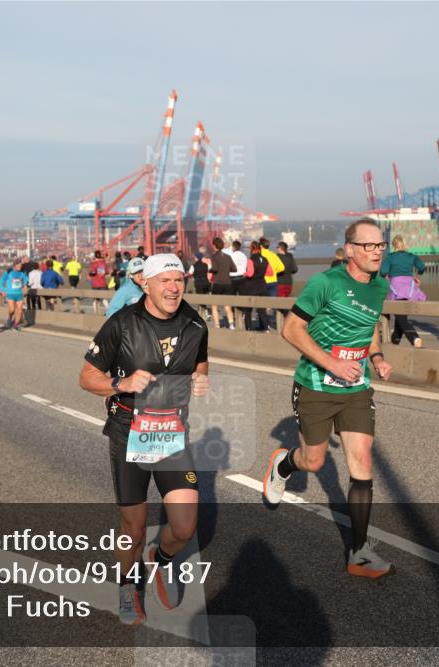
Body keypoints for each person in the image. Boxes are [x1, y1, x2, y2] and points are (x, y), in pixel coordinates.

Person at [79, 253, 210, 625]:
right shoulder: (121, 324)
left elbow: (200, 363)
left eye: (179, 280)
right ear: (146, 284)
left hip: (171, 433)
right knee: (133, 528)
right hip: (129, 432)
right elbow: (87, 377)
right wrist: (121, 383)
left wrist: (201, 379)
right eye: (165, 280)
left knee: (184, 527)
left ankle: (160, 559)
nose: (173, 288)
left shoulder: (195, 324)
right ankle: (126, 585)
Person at [265, 218, 395, 580]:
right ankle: (284, 464)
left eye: (380, 245)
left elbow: (369, 326)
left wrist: (377, 357)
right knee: (314, 461)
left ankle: (359, 552)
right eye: (368, 245)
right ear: (350, 249)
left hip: (355, 389)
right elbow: (290, 329)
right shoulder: (325, 283)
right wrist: (332, 363)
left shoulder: (380, 286)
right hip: (315, 386)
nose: (376, 252)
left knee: (362, 462)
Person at [379, 235, 426, 348]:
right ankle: (394, 343)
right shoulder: (411, 256)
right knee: (401, 317)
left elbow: (383, 271)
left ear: (394, 245)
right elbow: (422, 267)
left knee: (400, 318)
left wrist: (386, 277)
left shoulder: (390, 257)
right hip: (409, 287)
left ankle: (414, 338)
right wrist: (418, 276)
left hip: (396, 288)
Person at [242, 240, 271, 332]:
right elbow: (270, 272)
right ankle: (266, 327)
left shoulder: (251, 260)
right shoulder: (265, 259)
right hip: (262, 285)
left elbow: (250, 274)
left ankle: (249, 328)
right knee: (262, 308)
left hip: (252, 286)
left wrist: (245, 274)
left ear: (252, 249)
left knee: (248, 308)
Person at [209, 237, 237, 329]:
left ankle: (217, 325)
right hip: (228, 283)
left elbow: (215, 268)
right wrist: (226, 269)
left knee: (214, 305)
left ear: (214, 246)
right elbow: (234, 269)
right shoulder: (228, 257)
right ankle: (231, 324)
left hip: (218, 283)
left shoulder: (213, 256)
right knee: (227, 305)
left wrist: (210, 270)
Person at [0, 259, 28, 332]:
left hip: (19, 294)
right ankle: (9, 318)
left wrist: (25, 285)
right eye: (18, 265)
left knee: (20, 310)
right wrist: (3, 290)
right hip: (10, 294)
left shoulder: (23, 272)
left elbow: (25, 279)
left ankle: (15, 326)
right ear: (14, 265)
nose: (20, 267)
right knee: (12, 310)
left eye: (20, 265)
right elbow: (2, 280)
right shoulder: (9, 271)